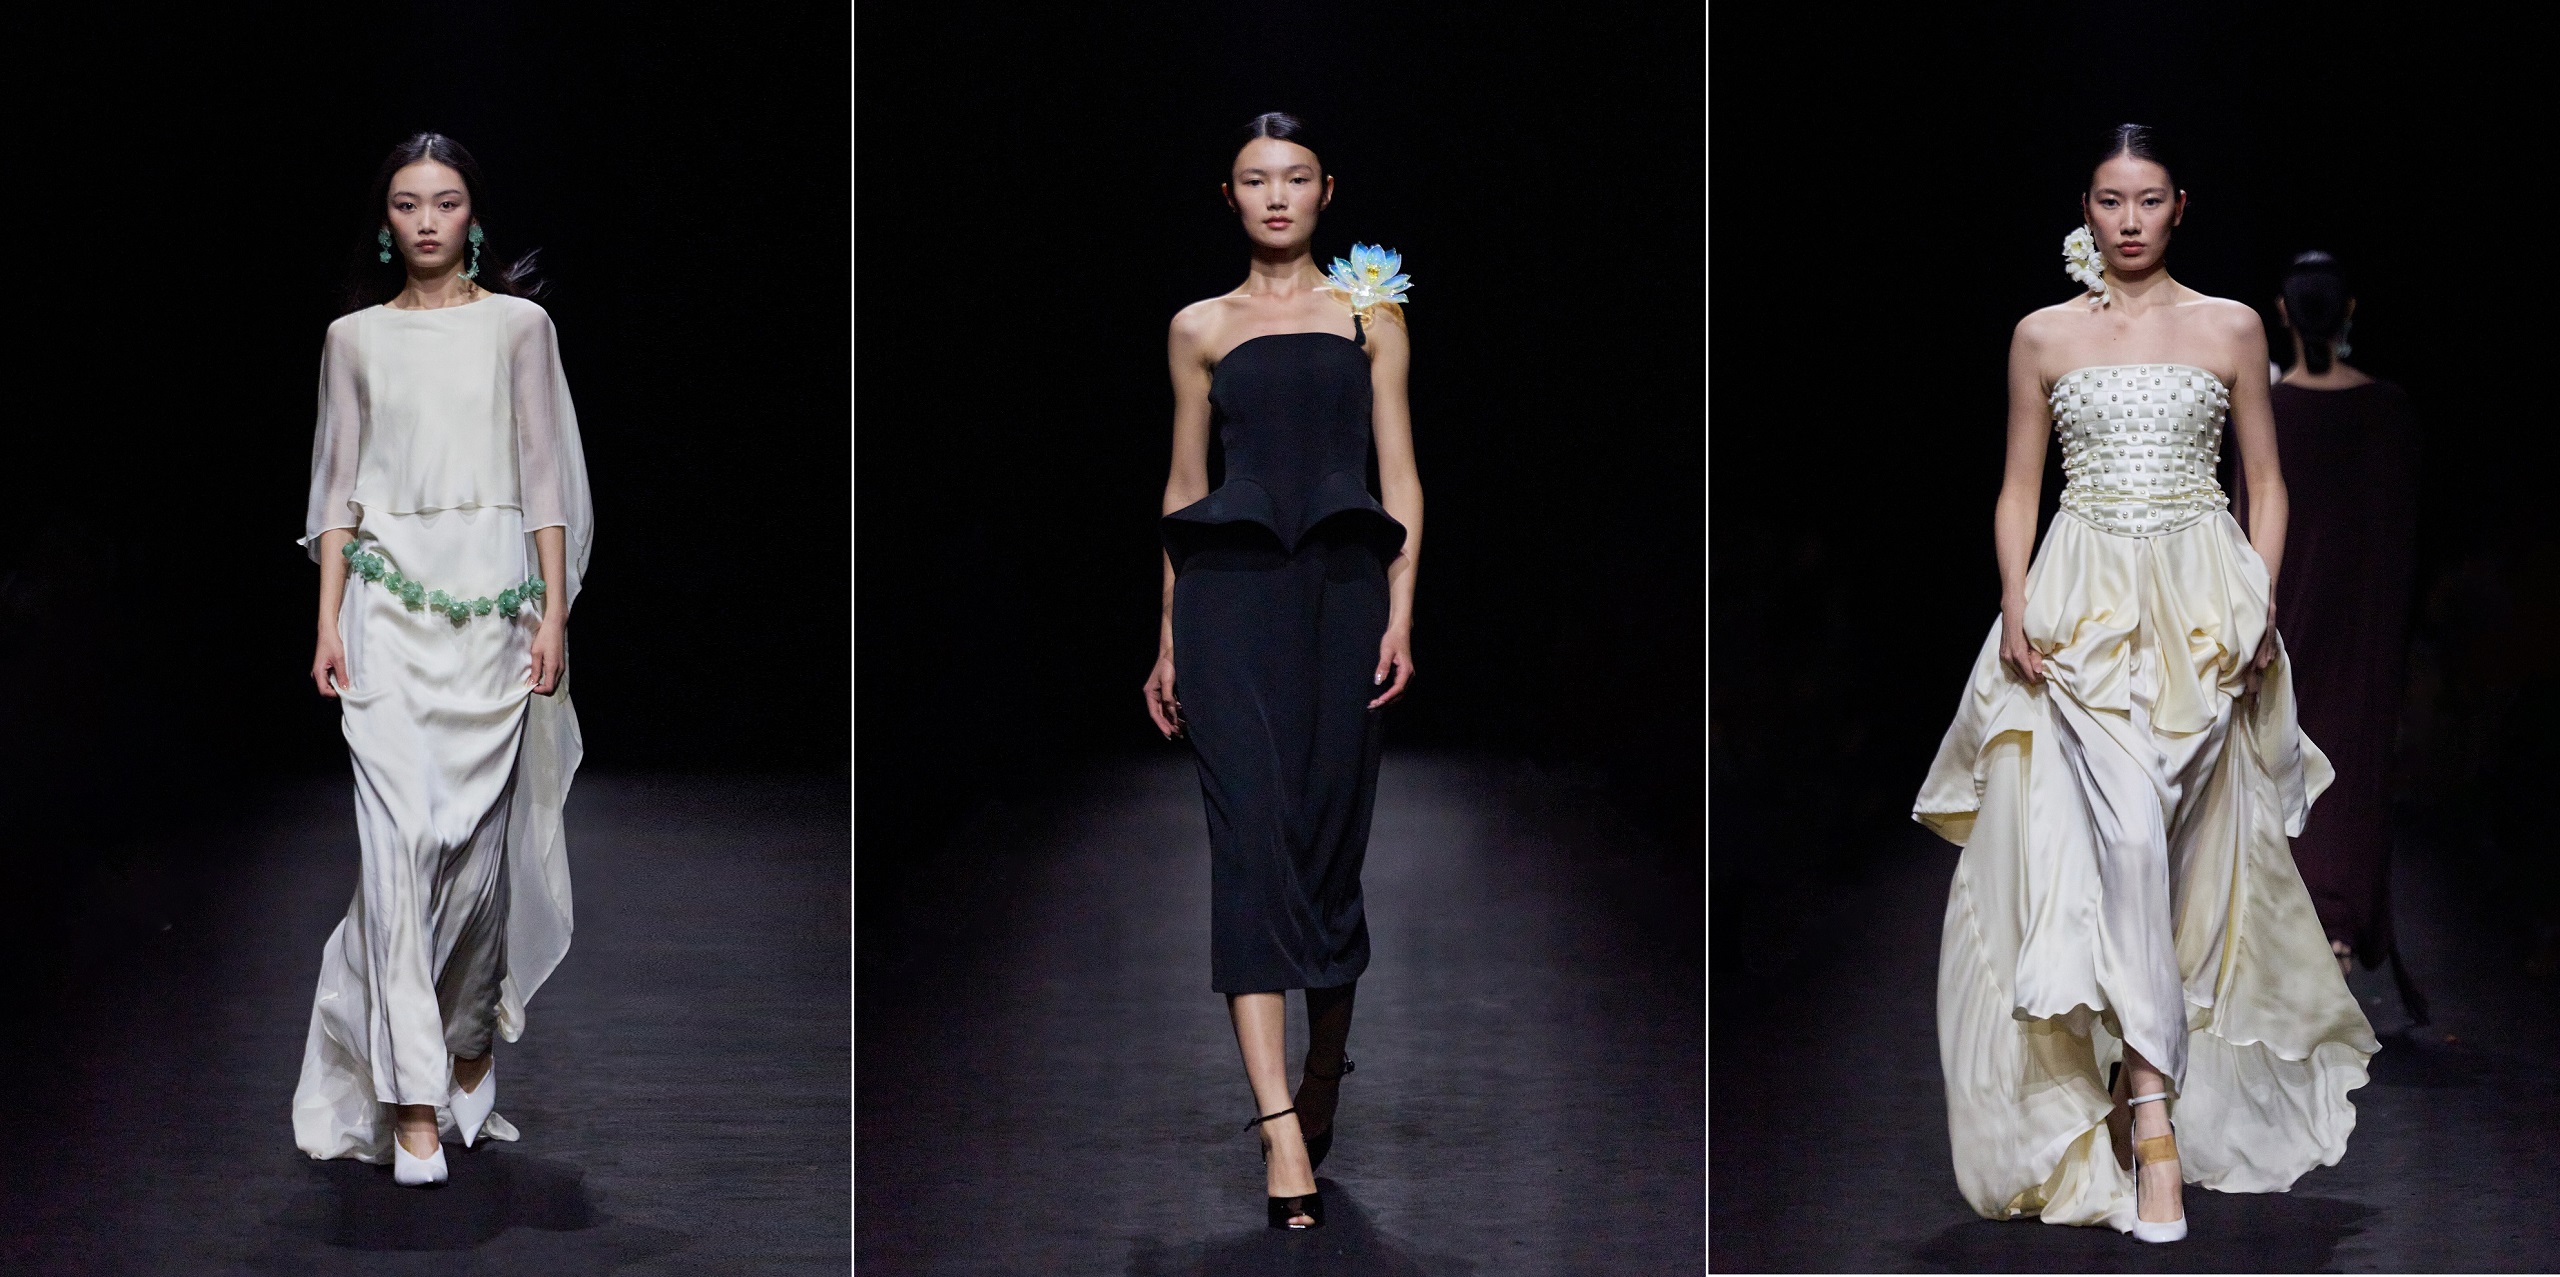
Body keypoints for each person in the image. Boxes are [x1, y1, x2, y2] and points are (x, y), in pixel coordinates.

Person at [1912, 124, 2376, 1243]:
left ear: (2179, 207)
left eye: (2149, 199)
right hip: (2080, 608)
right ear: (2086, 207)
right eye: (2111, 200)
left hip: (2203, 611)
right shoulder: (2042, 335)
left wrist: (2261, 606)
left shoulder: (2231, 325)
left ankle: (2134, 1082)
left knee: (2176, 864)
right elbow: (2017, 487)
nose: (2129, 219)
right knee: (2123, 843)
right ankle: (2156, 1138)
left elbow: (2265, 483)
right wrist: (2014, 600)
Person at [291, 133, 594, 1187]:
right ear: (386, 221)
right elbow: (336, 487)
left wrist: (553, 614)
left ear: (474, 215)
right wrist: (328, 618)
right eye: (408, 203)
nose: (427, 220)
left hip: (492, 608)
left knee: (471, 857)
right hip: (385, 603)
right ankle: (413, 1099)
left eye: (447, 201)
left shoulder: (520, 327)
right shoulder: (353, 337)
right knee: (397, 844)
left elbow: (544, 475)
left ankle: (466, 1036)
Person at [1141, 112, 1421, 1230]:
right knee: (1250, 845)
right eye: (1255, 179)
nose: (1274, 196)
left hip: (1344, 597)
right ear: (1229, 196)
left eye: (1294, 177)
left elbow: (1400, 472)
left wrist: (1403, 608)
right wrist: (1168, 631)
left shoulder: (1371, 312)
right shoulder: (1198, 326)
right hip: (1229, 602)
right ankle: (1280, 1130)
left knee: (1327, 843)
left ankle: (1322, 1069)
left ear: (1325, 190)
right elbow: (1182, 483)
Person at [2229, 253, 2422, 994]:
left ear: (2282, 313)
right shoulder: (2389, 409)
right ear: (2348, 312)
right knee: (2353, 751)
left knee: (2283, 744)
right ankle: (2335, 924)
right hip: (2365, 617)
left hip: (2287, 605)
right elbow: (2403, 532)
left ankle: (2289, 925)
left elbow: (2244, 512)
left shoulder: (2271, 410)